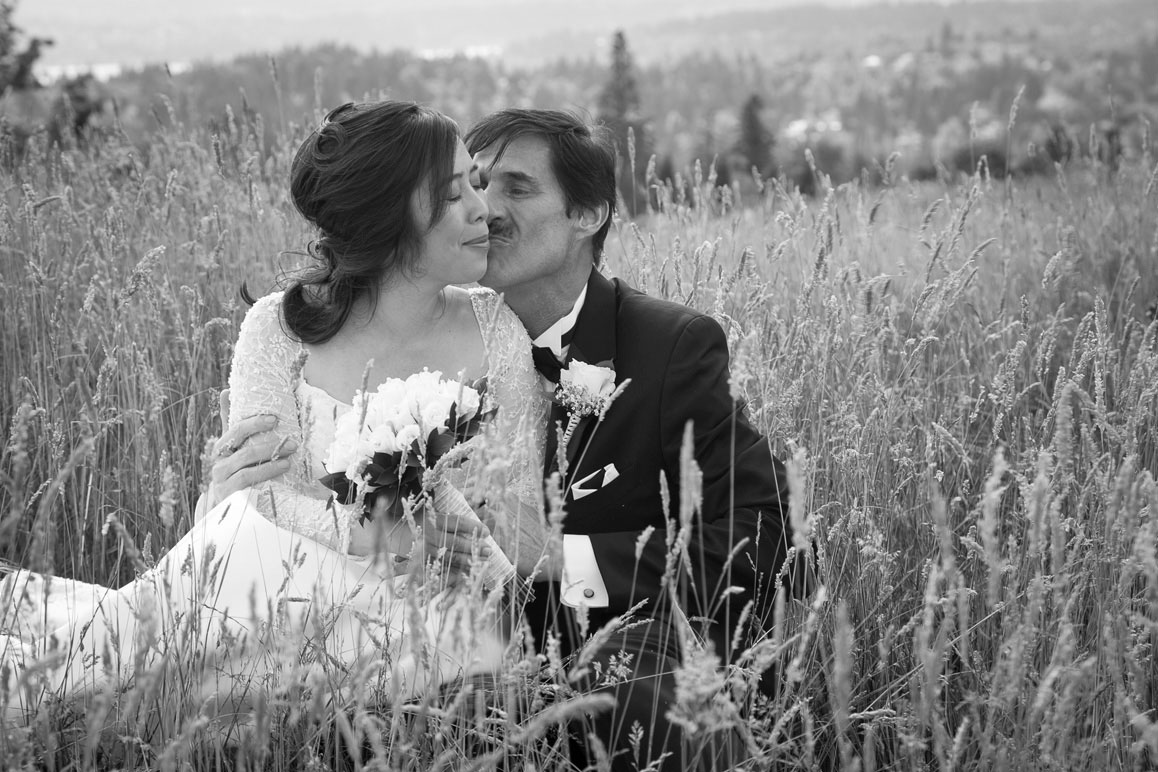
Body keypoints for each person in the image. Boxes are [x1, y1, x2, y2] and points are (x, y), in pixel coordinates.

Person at [0, 101, 547, 725]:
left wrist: (453, 534)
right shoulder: (279, 329)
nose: (482, 209)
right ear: (384, 219)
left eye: (474, 184)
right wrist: (368, 534)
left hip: (434, 600)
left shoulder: (495, 329)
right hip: (284, 574)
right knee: (83, 677)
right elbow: (258, 496)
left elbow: (518, 507)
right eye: (452, 196)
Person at [462, 108, 794, 771]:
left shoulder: (671, 347)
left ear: (587, 214)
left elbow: (767, 535)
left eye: (517, 187)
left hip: (626, 672)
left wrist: (565, 559)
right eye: (473, 185)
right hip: (464, 661)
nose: (486, 209)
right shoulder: (434, 341)